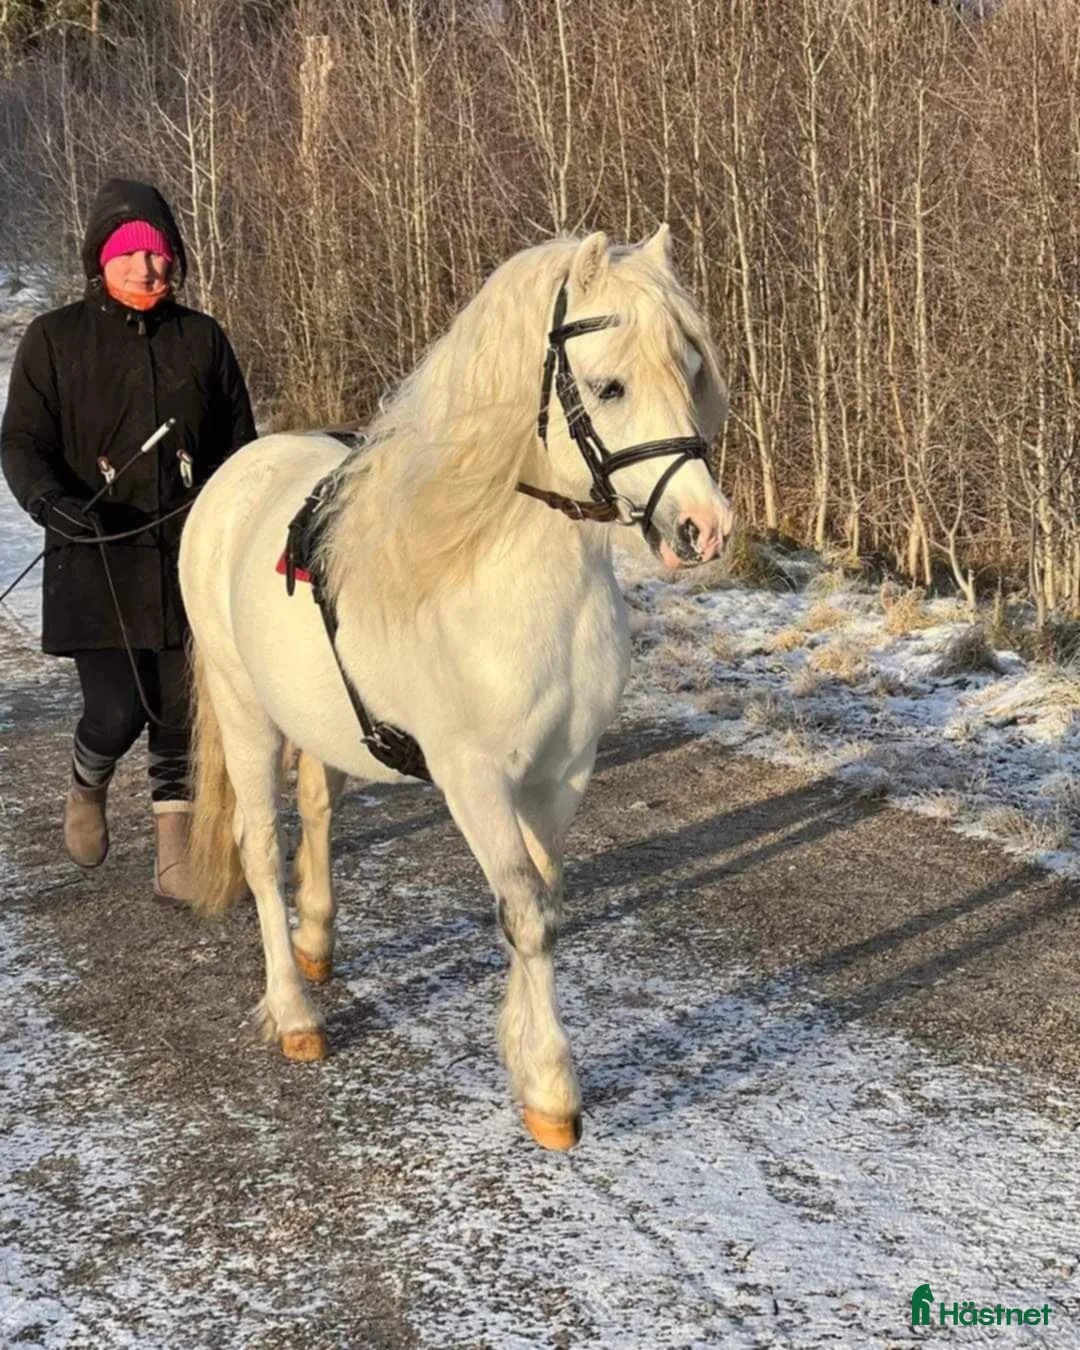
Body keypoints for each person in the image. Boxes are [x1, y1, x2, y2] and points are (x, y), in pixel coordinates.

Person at [0, 177, 256, 900]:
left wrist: (235, 510)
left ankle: (174, 861)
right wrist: (50, 502)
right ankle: (89, 780)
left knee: (179, 711)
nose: (152, 268)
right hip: (95, 558)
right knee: (116, 710)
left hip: (186, 557)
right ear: (101, 259)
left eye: (162, 254)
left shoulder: (201, 338)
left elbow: (240, 444)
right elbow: (22, 441)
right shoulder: (54, 339)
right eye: (134, 254)